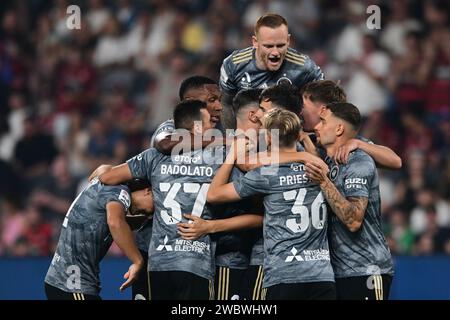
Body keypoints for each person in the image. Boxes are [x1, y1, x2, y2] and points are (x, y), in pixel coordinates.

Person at [99, 100, 254, 299]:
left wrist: (105, 170)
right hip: (195, 262)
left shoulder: (154, 157)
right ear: (197, 128)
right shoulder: (221, 157)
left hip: (159, 264)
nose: (215, 127)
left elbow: (108, 178)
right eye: (210, 123)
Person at [207, 109, 336, 300]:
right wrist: (305, 155)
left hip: (284, 275)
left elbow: (213, 195)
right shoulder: (320, 168)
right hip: (322, 275)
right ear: (296, 135)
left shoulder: (266, 174)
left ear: (268, 138)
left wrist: (231, 156)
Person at [305, 102, 394, 300]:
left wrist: (323, 182)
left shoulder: (358, 161)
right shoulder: (325, 158)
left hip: (366, 270)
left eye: (322, 121)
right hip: (336, 272)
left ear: (339, 128)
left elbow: (354, 220)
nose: (316, 126)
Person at [44, 178, 153, 300]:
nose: (147, 213)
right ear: (148, 191)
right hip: (72, 285)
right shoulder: (120, 192)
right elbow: (115, 223)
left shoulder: (104, 184)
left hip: (62, 281)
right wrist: (138, 261)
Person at [219, 13, 324, 129]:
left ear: (288, 40)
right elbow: (226, 104)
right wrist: (232, 138)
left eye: (280, 45)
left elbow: (324, 103)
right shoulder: (234, 65)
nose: (275, 53)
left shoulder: (304, 68)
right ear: (255, 42)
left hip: (287, 138)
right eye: (268, 46)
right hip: (248, 137)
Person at [300, 80, 402, 169]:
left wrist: (359, 144)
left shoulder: (344, 141)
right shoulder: (296, 134)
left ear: (323, 109)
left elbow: (395, 162)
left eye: (303, 106)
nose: (300, 111)